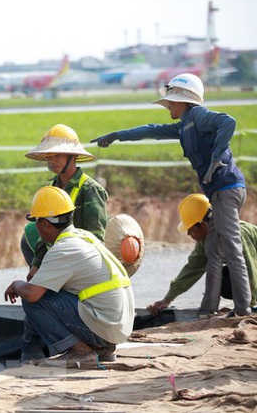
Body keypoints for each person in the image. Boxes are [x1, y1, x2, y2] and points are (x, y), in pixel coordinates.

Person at [91, 73, 251, 317]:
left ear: (184, 101)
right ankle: (208, 309)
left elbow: (228, 122)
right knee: (213, 252)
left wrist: (216, 160)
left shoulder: (197, 115)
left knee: (231, 248)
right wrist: (117, 135)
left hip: (227, 189)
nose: (168, 106)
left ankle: (243, 309)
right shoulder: (185, 126)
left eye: (171, 102)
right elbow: (151, 130)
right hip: (220, 192)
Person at [4, 186, 134, 368]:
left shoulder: (63, 250)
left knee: (32, 299)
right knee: (55, 291)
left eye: (37, 222)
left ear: (44, 224)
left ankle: (81, 352)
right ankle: (101, 349)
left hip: (105, 327)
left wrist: (17, 284)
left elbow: (32, 294)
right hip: (116, 329)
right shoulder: (85, 237)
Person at [20, 123, 109, 361]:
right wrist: (37, 263)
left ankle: (78, 348)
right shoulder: (51, 188)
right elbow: (41, 232)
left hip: (76, 262)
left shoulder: (90, 190)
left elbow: (96, 237)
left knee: (37, 298)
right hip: (55, 259)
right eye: (48, 156)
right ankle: (32, 352)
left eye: (57, 154)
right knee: (35, 291)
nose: (51, 161)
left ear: (73, 156)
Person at [147, 193, 257, 315]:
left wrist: (248, 306)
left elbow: (250, 268)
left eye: (191, 229)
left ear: (203, 225)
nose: (189, 234)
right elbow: (192, 269)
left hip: (254, 270)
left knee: (237, 276)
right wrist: (167, 299)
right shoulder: (205, 242)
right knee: (221, 278)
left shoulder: (236, 233)